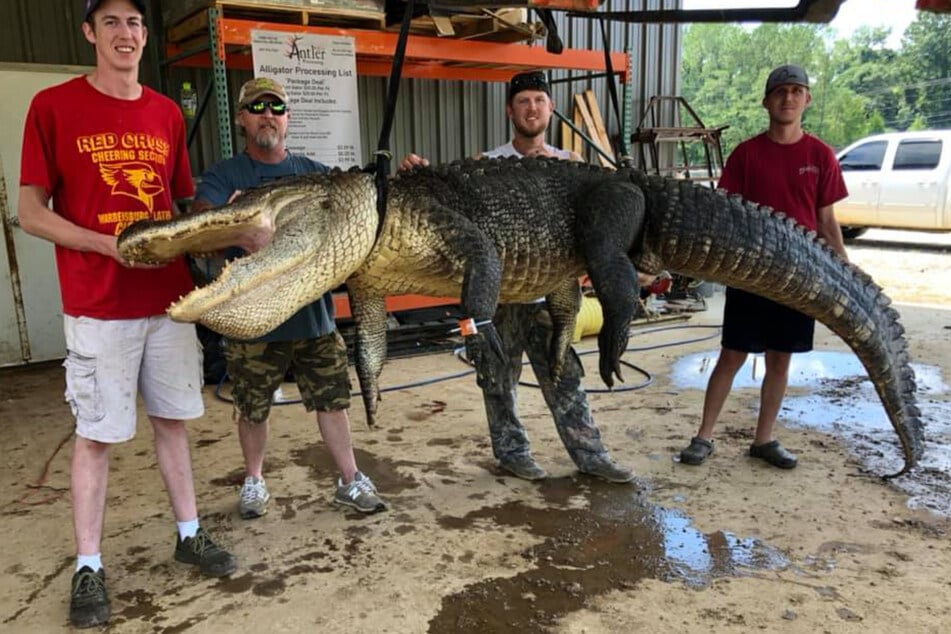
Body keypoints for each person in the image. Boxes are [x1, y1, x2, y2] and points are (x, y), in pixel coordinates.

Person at [17, 0, 237, 628]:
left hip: (165, 303)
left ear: (145, 35)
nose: (125, 33)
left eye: (135, 23)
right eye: (111, 22)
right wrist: (104, 244)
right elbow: (31, 211)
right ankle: (89, 566)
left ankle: (189, 533)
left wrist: (230, 226)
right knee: (97, 436)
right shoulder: (53, 107)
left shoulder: (167, 113)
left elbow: (181, 203)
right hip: (98, 305)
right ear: (89, 32)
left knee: (173, 422)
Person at [401, 71, 634, 483]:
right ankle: (512, 452)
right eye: (523, 101)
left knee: (566, 380)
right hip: (501, 298)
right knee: (496, 379)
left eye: (539, 101)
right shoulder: (487, 165)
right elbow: (447, 199)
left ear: (550, 108)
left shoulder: (573, 166)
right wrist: (420, 174)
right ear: (510, 110)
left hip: (553, 297)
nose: (532, 108)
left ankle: (590, 454)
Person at [191, 77, 387, 519]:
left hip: (314, 320)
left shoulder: (313, 171)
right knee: (252, 406)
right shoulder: (226, 175)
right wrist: (233, 222)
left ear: (288, 118)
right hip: (254, 320)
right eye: (257, 106)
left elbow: (359, 211)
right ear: (241, 118)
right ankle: (254, 480)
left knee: (334, 401)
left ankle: (350, 479)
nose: (268, 115)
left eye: (276, 107)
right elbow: (200, 222)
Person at [678, 64, 849, 469]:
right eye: (780, 92)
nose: (788, 98)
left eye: (796, 91)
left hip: (800, 278)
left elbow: (826, 221)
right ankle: (704, 436)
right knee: (732, 355)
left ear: (807, 99)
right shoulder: (747, 154)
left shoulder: (820, 155)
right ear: (767, 101)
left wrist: (845, 269)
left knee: (780, 359)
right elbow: (728, 216)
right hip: (753, 274)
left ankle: (764, 439)